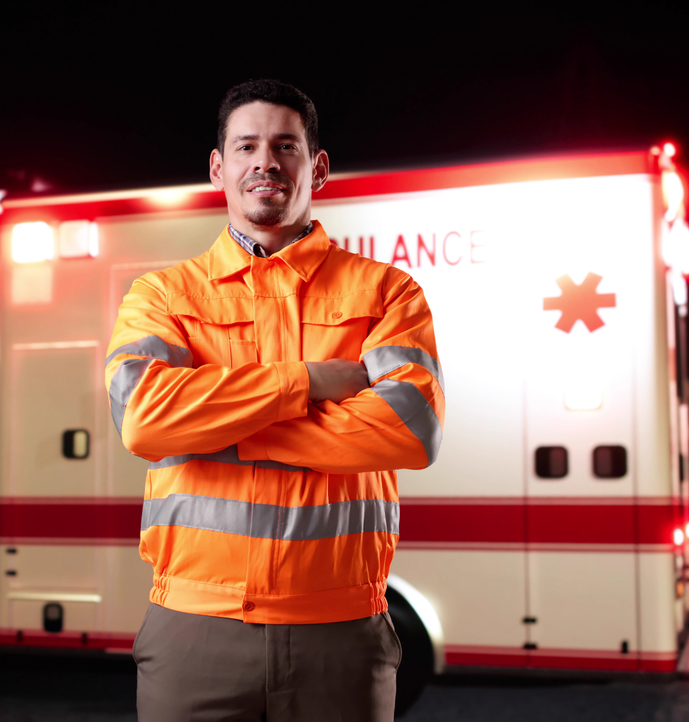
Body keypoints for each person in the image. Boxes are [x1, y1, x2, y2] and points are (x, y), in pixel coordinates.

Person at [106, 79, 445, 721]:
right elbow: (145, 420)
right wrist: (309, 383)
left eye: (285, 145)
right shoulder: (162, 296)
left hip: (341, 629)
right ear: (219, 167)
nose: (266, 161)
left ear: (316, 167)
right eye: (247, 146)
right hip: (193, 626)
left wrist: (214, 429)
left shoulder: (387, 293)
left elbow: (409, 430)